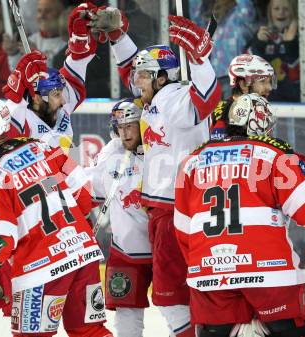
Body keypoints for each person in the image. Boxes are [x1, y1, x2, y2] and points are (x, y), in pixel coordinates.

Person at [174, 92, 305, 337]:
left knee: (216, 332)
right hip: (270, 273)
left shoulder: (191, 163)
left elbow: (183, 231)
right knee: (292, 328)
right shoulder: (272, 156)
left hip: (208, 275)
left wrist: (205, 265)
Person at [92, 9, 221, 337]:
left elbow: (207, 98)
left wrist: (200, 58)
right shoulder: (157, 98)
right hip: (172, 211)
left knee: (170, 298)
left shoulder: (174, 99)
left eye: (144, 76)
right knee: (183, 296)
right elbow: (132, 68)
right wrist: (119, 38)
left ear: (163, 77)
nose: (136, 82)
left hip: (175, 211)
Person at [0, 96, 113, 337]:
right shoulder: (42, 146)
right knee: (90, 331)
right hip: (83, 254)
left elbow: (0, 240)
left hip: (39, 269)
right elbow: (85, 195)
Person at [84, 98, 153, 337]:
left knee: (178, 308)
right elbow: (87, 189)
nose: (124, 133)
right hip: (126, 250)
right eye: (120, 127)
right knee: (126, 313)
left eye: (130, 126)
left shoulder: (162, 148)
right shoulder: (112, 154)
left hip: (165, 247)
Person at [2, 3, 98, 150]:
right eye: (57, 95)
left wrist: (80, 38)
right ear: (38, 98)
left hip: (64, 171)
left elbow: (79, 60)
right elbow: (4, 122)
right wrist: (19, 80)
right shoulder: (21, 118)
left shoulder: (57, 102)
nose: (64, 100)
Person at [248, 0, 299, 102]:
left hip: (294, 103)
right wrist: (258, 44)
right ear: (269, 12)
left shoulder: (302, 36)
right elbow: (249, 70)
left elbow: (297, 75)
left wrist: (290, 44)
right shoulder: (261, 35)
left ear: (293, 12)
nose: (281, 12)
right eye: (276, 9)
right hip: (265, 101)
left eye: (286, 9)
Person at [3, 0, 69, 70]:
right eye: (39, 11)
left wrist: (37, 57)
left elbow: (60, 77)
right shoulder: (31, 40)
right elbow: (17, 73)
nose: (42, 16)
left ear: (61, 14)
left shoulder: (68, 43)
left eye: (48, 11)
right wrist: (14, 54)